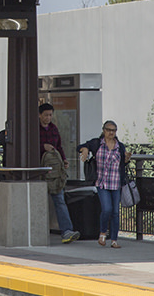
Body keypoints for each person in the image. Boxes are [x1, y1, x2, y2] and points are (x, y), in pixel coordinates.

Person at [38, 103, 80, 243]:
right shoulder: (34, 130)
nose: (48, 118)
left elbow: (59, 147)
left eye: (50, 115)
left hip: (55, 173)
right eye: (46, 115)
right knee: (40, 201)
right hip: (39, 172)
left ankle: (67, 231)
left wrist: (64, 160)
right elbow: (29, 147)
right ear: (39, 115)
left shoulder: (54, 129)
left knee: (60, 200)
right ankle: (38, 230)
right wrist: (42, 147)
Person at [89, 120, 130, 248]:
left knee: (115, 212)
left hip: (116, 182)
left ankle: (114, 239)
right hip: (102, 182)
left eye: (113, 130)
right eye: (108, 130)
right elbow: (81, 146)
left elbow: (122, 164)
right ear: (104, 130)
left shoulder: (120, 146)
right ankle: (102, 233)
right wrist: (84, 150)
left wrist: (127, 159)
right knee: (106, 209)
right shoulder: (97, 144)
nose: (111, 132)